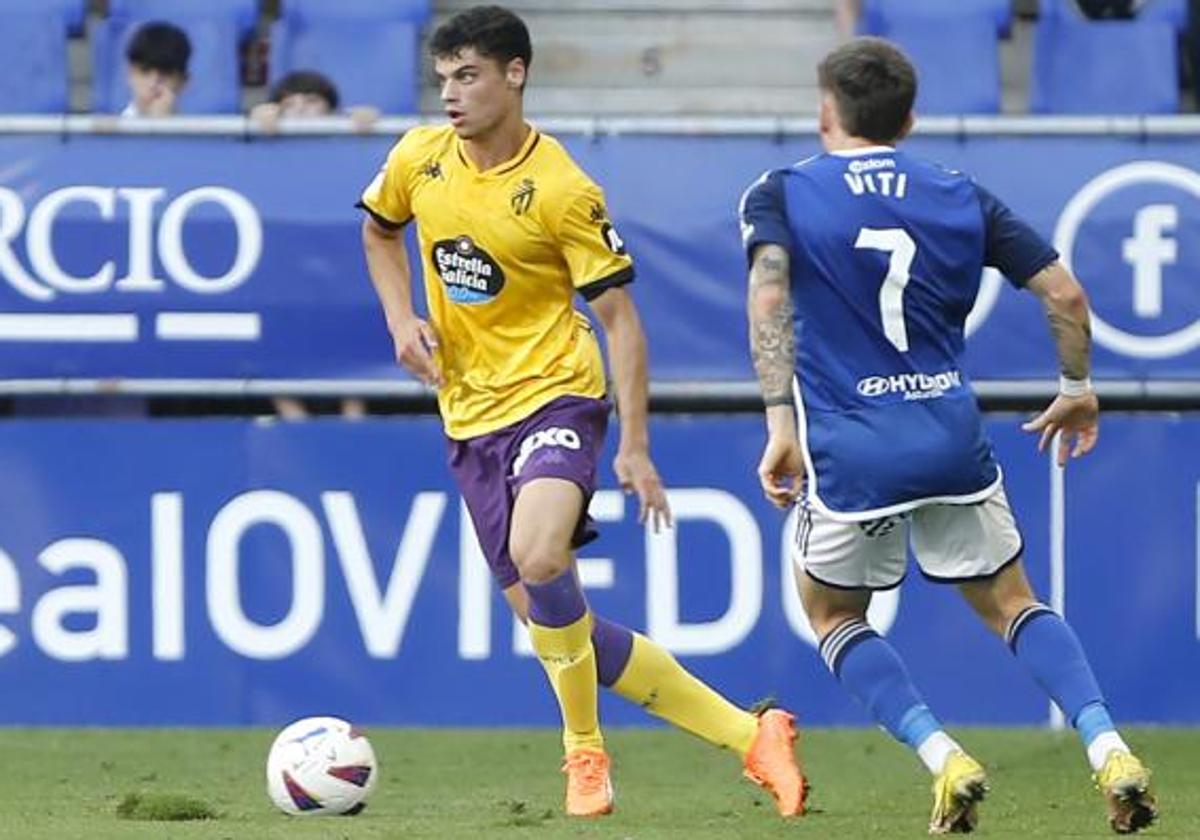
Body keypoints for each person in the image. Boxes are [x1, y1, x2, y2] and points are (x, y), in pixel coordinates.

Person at [358, 4, 806, 820]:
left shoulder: (561, 188)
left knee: (538, 554)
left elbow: (622, 321)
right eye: (443, 78)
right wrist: (400, 319)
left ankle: (584, 756)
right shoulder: (419, 158)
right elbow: (379, 233)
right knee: (559, 625)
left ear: (514, 74)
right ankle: (754, 736)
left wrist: (634, 447)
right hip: (469, 415)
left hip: (559, 394)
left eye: (468, 76)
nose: (451, 95)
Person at [740, 37, 1157, 835]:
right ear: (911, 117)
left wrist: (779, 426)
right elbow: (1065, 294)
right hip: (948, 437)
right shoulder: (958, 190)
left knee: (831, 615)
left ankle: (945, 759)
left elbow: (768, 296)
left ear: (827, 111)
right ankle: (1108, 747)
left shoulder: (782, 191)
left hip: (850, 447)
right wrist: (1076, 389)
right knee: (1012, 603)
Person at [250, 70, 380, 134]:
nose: (300, 109)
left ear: (330, 107)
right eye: (289, 104)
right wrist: (256, 118)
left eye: (311, 101)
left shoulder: (343, 129)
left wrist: (371, 119)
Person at [123, 21, 190, 117]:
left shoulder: (201, 130)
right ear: (129, 73)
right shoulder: (105, 130)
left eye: (166, 72)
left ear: (184, 81)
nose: (154, 83)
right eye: (145, 71)